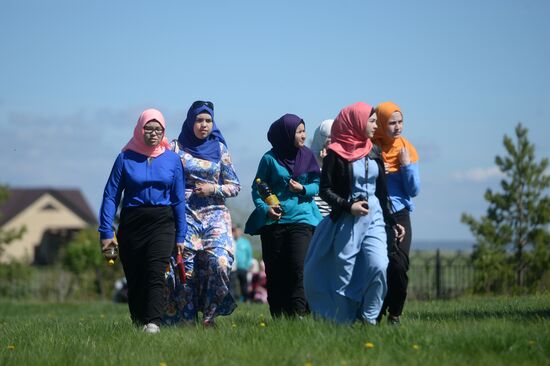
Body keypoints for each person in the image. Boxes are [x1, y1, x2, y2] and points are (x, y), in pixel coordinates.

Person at [303, 102, 405, 325]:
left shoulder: (374, 150)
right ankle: (343, 321)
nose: (375, 125)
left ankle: (370, 319)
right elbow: (325, 190)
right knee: (344, 273)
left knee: (379, 265)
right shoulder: (335, 154)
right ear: (356, 122)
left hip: (375, 218)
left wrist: (392, 221)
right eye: (372, 121)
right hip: (348, 220)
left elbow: (382, 191)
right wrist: (348, 206)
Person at [98, 108, 186, 334]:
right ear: (140, 129)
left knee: (155, 272)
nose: (153, 133)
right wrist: (106, 232)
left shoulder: (172, 160)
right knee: (135, 277)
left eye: (158, 129)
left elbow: (178, 200)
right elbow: (111, 196)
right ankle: (139, 321)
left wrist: (181, 234)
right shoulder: (124, 158)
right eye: (149, 128)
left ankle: (153, 322)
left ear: (164, 131)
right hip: (132, 222)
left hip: (162, 221)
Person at [163, 100, 240, 327]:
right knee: (186, 268)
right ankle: (186, 320)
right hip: (184, 214)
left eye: (208, 120)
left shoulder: (220, 150)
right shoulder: (176, 148)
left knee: (220, 262)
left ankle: (210, 316)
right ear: (190, 122)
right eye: (199, 120)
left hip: (215, 213)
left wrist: (213, 188)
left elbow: (234, 186)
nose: (203, 125)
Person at [245, 114, 322, 318]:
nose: (304, 135)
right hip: (274, 221)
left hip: (303, 218)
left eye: (304, 130)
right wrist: (265, 209)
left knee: (299, 267)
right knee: (276, 271)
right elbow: (257, 189)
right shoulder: (269, 159)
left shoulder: (308, 156)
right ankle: (279, 317)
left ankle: (300, 314)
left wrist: (303, 188)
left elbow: (318, 184)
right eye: (299, 131)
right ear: (286, 134)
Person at [373, 101, 420, 325]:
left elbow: (413, 190)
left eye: (400, 122)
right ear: (381, 124)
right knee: (378, 264)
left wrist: (406, 166)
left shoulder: (406, 149)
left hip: (400, 214)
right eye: (392, 123)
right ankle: (375, 311)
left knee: (399, 264)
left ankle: (395, 313)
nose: (397, 127)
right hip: (375, 213)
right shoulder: (371, 147)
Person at [309, 119, 334, 217]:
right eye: (330, 137)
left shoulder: (342, 161)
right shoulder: (307, 163)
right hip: (314, 219)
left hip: (335, 218)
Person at [232, 224, 253, 301]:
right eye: (235, 231)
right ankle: (233, 300)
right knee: (232, 284)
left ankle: (246, 299)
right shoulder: (231, 241)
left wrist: (248, 265)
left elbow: (249, 255)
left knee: (244, 285)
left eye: (238, 231)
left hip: (243, 267)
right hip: (233, 267)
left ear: (240, 232)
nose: (236, 232)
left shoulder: (245, 242)